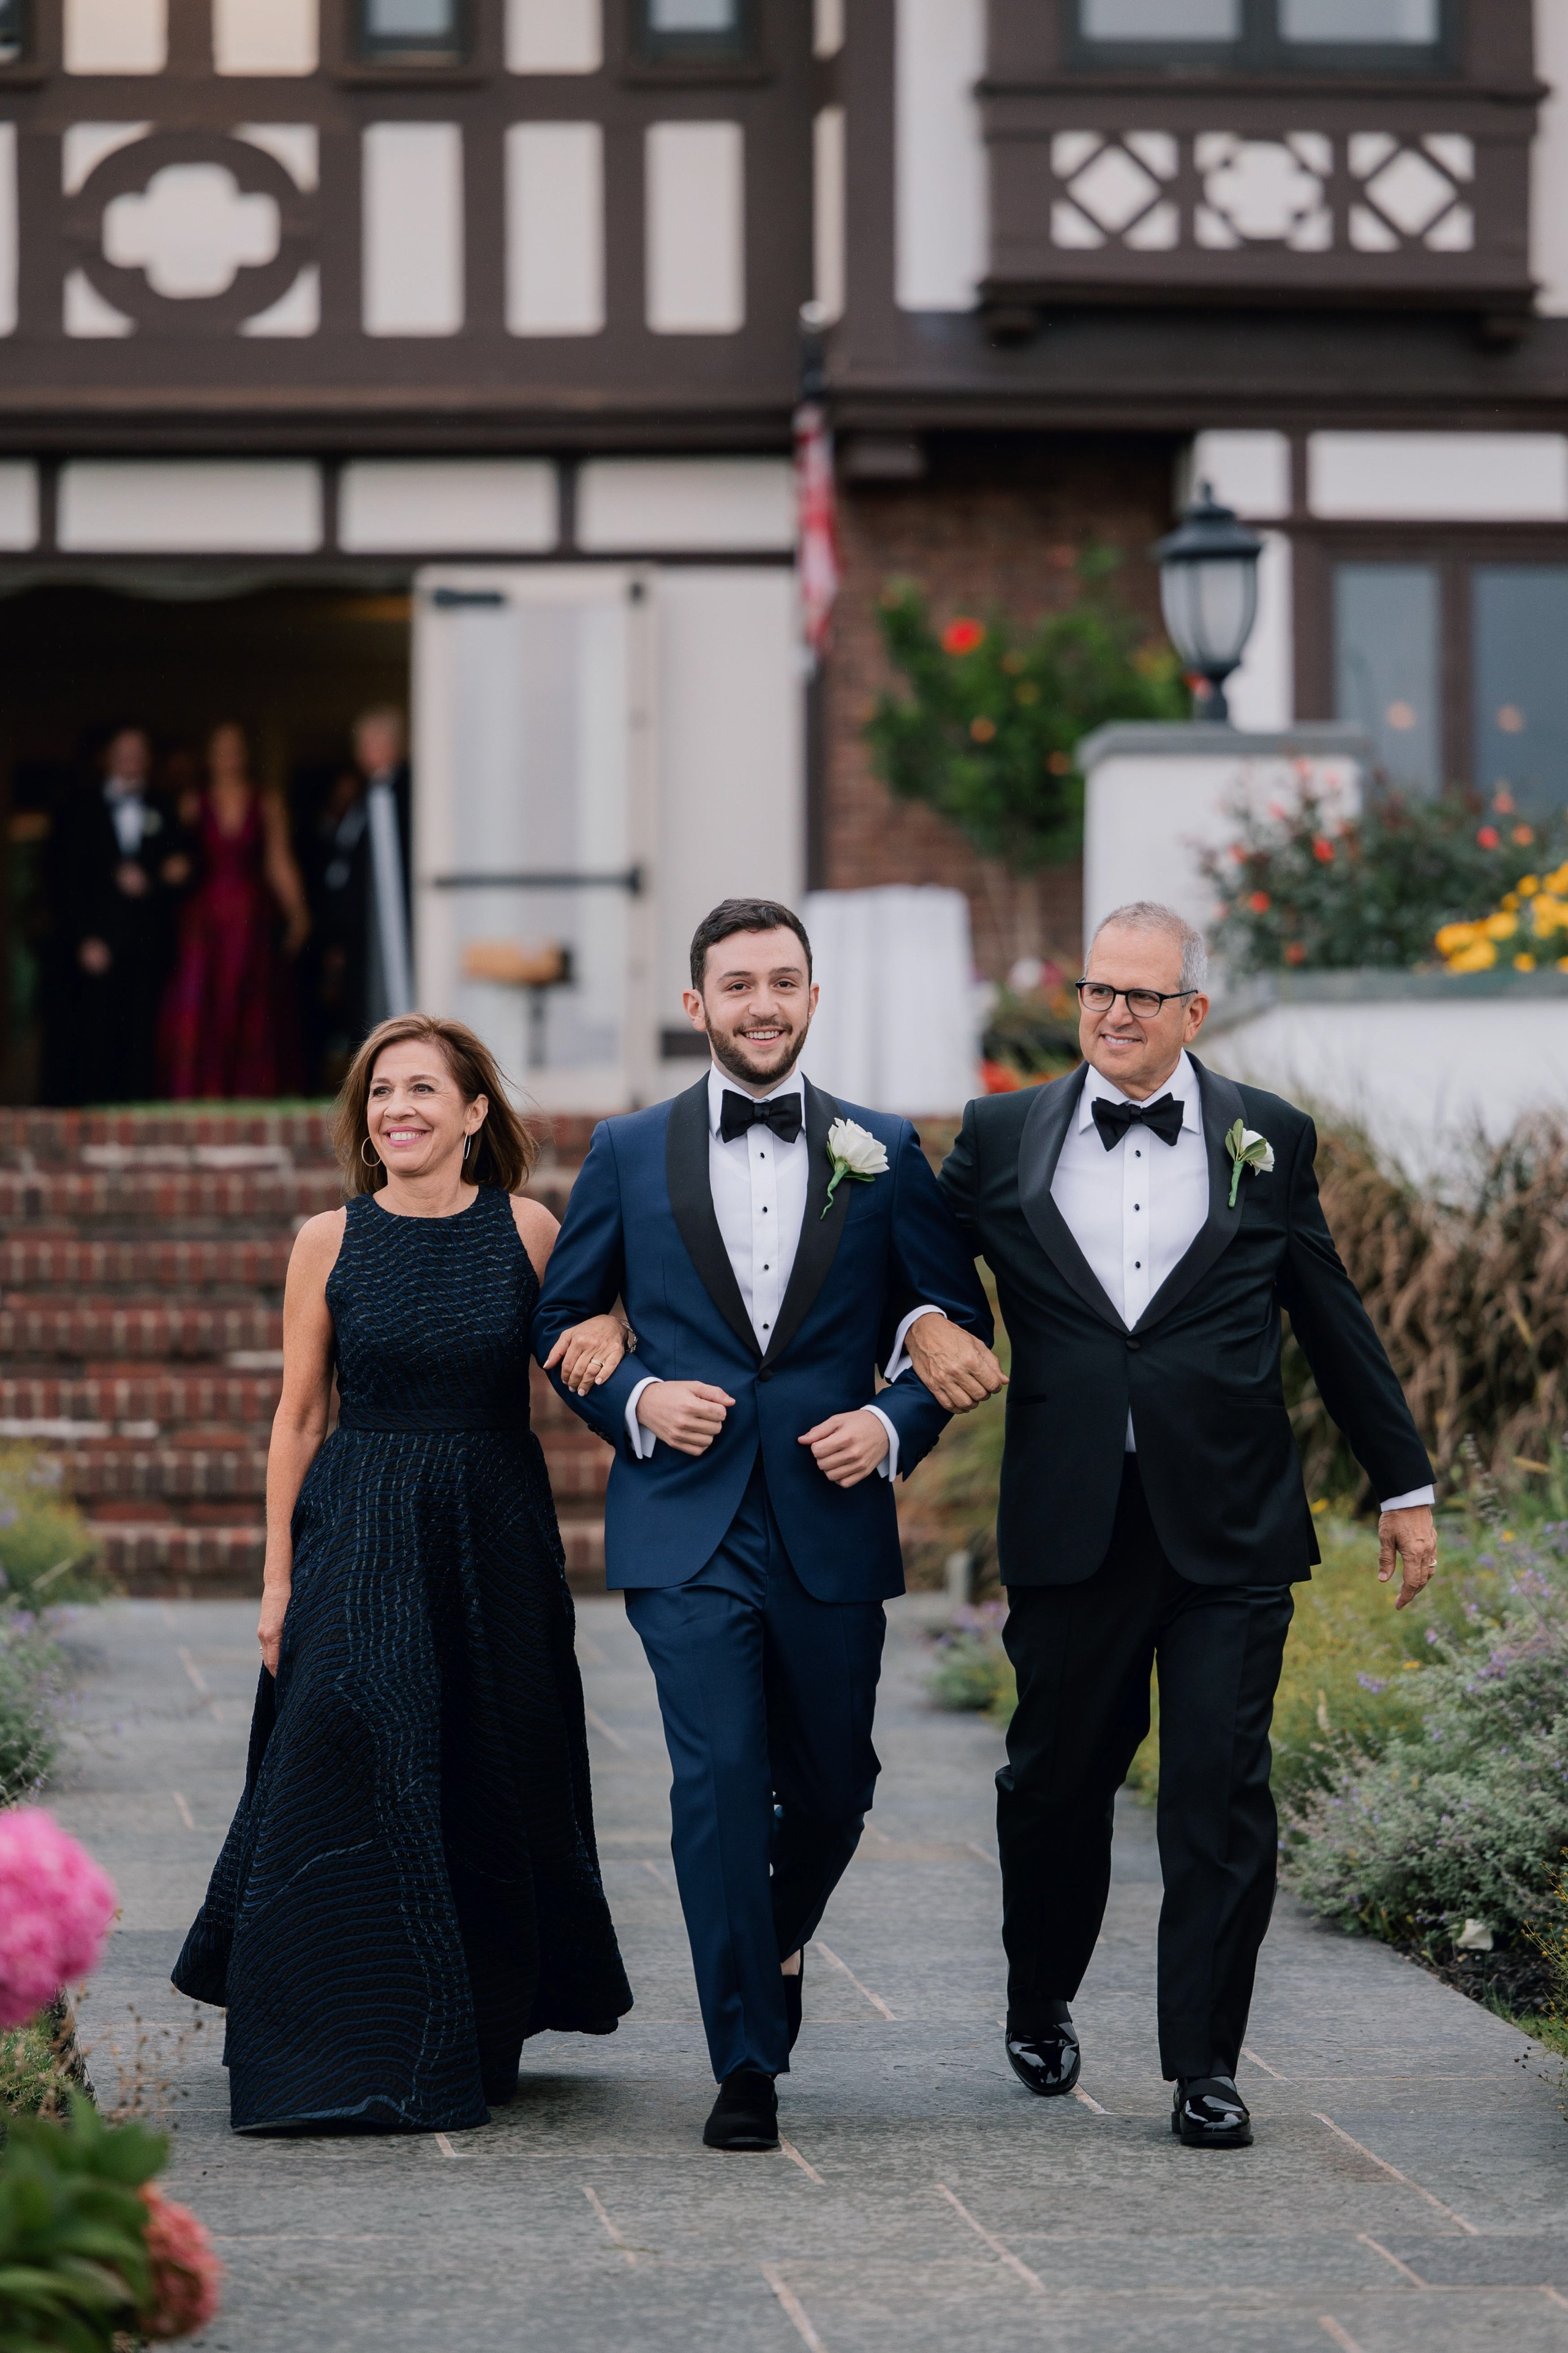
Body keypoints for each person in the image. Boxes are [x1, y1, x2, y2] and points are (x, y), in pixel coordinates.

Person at [918, 899, 1437, 2150]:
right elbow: (916, 1261)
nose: (1107, 1012)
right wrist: (922, 1327)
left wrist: (1403, 1483)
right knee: (1052, 1786)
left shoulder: (1269, 1137)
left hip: (1228, 1527)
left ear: (1190, 1013)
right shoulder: (997, 1135)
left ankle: (1203, 2063)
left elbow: (1328, 1313)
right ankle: (1037, 1991)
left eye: (1138, 996)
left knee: (1216, 1792)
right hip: (1069, 1523)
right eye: (1096, 989)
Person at [534, 898, 995, 2153]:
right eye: (735, 984)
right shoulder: (627, 1149)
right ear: (696, 1007)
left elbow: (950, 1325)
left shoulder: (882, 1145)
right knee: (720, 1781)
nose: (760, 1003)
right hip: (684, 1526)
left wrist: (891, 1425)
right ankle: (743, 2059)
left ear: (811, 996)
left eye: (782, 982)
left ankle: (774, 1934)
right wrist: (635, 1395)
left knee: (835, 1786)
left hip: (831, 1513)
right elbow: (562, 1324)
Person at [172, 1014, 634, 2132]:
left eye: (425, 1090)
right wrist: (277, 1581)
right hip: (362, 1516)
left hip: (494, 1528)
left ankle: (475, 2023)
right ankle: (334, 2034)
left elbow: (591, 1340)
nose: (399, 1111)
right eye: (382, 1093)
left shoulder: (528, 1228)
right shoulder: (326, 1239)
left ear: (475, 1113)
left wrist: (615, 1336)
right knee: (342, 1733)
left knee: (490, 1762)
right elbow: (297, 1416)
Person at [159, 723, 312, 1100]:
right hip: (205, 919)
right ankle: (201, 1090)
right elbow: (175, 857)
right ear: (209, 756)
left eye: (236, 747)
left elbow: (279, 860)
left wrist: (298, 912)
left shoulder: (266, 801)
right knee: (203, 998)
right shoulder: (193, 803)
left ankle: (249, 1090)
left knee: (249, 998)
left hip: (249, 917)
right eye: (221, 748)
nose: (229, 756)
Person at [48, 726, 189, 1104]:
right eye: (124, 751)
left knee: (142, 1044)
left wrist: (153, 880)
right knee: (92, 1041)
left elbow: (182, 870)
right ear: (107, 757)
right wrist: (84, 938)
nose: (132, 760)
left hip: (146, 946)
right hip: (96, 946)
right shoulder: (79, 807)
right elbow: (63, 881)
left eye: (139, 752)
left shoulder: (163, 806)